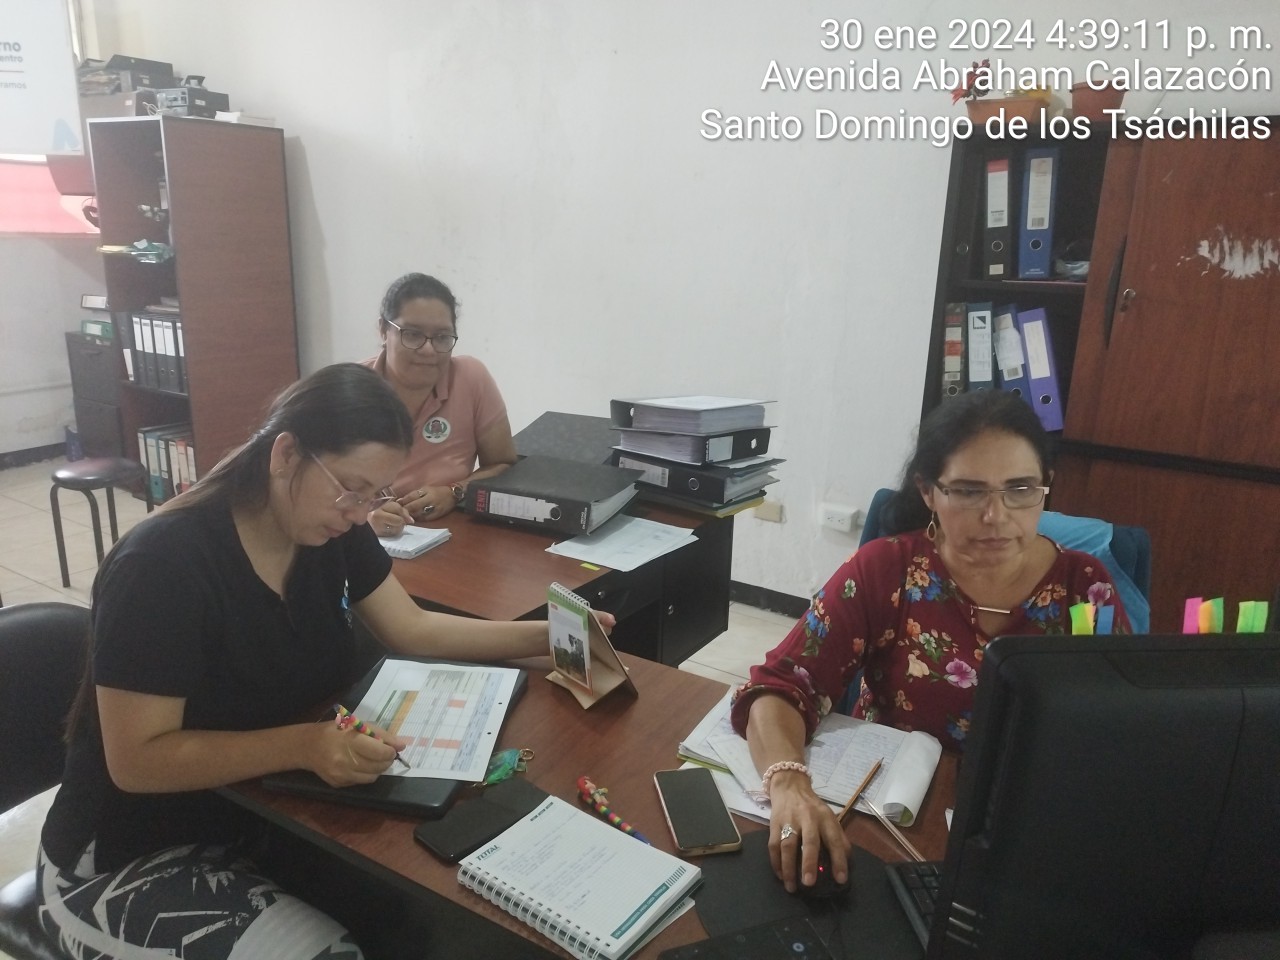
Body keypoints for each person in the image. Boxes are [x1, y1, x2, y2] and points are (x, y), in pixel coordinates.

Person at [37, 363, 591, 960]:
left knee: (442, 922)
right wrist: (304, 746)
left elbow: (416, 628)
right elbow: (136, 761)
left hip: (261, 817)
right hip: (127, 854)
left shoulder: (329, 528)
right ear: (285, 454)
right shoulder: (162, 566)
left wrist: (554, 637)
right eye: (350, 488)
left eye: (373, 494)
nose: (360, 512)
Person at [730, 390, 1131, 896]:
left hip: (1031, 828)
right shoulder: (889, 570)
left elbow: (1119, 724)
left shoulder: (1084, 587)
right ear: (928, 491)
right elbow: (779, 687)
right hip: (892, 824)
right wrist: (789, 784)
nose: (996, 515)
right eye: (968, 491)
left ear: (1045, 485)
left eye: (1020, 488)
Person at [364, 273, 516, 536]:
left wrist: (454, 492)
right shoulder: (349, 390)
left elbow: (504, 467)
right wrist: (363, 518)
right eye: (412, 334)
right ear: (383, 330)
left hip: (451, 536)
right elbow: (315, 489)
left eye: (442, 337)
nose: (429, 350)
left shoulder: (471, 379)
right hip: (364, 541)